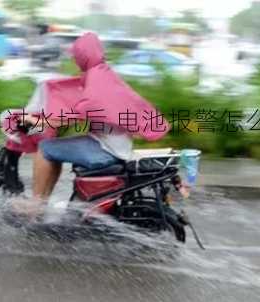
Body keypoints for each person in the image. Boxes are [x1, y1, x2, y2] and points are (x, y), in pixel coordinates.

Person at [21, 32, 168, 208]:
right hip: (113, 146)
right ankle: (42, 202)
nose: (76, 60)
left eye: (77, 56)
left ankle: (35, 204)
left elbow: (74, 115)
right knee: (55, 149)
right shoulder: (103, 74)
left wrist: (35, 121)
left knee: (46, 148)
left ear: (83, 55)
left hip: (106, 151)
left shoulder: (96, 79)